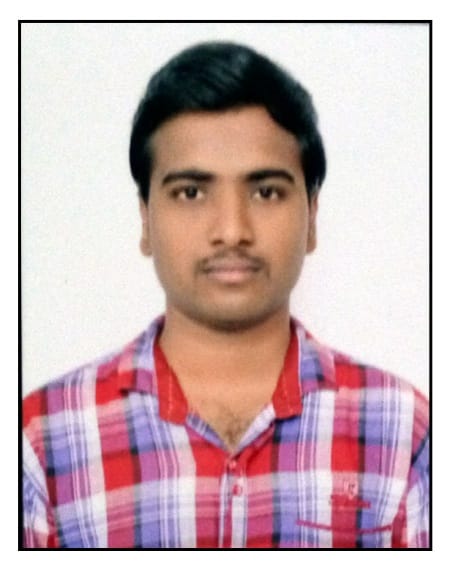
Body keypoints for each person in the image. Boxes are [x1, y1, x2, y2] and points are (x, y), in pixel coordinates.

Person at [22, 41, 429, 549]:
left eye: (266, 191)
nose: (232, 230)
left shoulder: (402, 434)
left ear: (312, 217)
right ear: (145, 220)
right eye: (191, 192)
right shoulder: (44, 442)